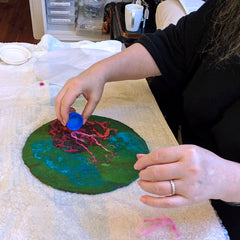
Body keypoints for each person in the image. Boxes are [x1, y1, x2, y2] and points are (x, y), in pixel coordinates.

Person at [54, 0, 240, 238]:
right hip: (182, 159)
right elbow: (174, 46)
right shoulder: (229, 8)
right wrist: (99, 72)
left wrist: (226, 179)